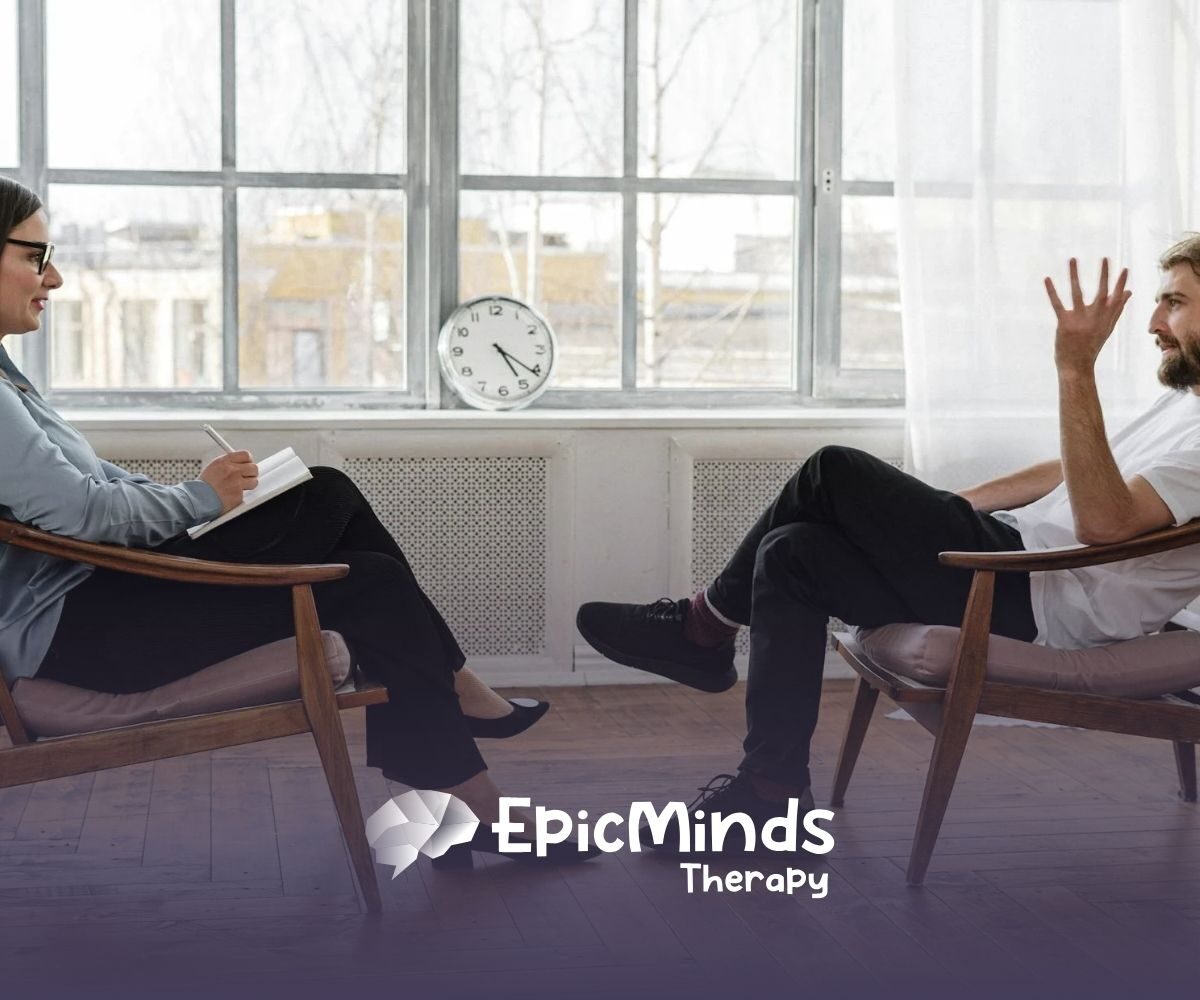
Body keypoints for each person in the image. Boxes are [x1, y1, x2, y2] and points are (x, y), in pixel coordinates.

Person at [0, 176, 589, 867]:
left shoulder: (8, 378)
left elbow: (91, 486)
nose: (56, 277)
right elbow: (82, 514)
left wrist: (204, 498)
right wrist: (199, 500)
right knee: (327, 495)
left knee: (364, 571)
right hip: (84, 632)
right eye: (36, 257)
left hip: (99, 605)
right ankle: (458, 728)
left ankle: (458, 794)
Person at [579, 237, 1200, 850]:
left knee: (834, 470)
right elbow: (1077, 468)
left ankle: (701, 628)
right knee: (791, 551)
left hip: (1036, 600)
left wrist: (1073, 368)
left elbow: (1105, 523)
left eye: (1173, 302)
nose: (1152, 322)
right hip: (1016, 562)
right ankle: (770, 794)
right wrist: (949, 508)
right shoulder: (1184, 405)